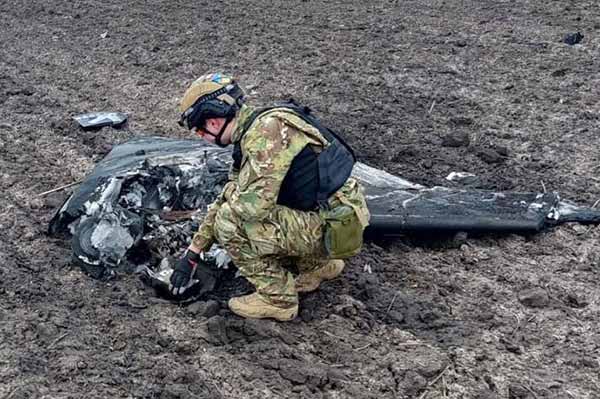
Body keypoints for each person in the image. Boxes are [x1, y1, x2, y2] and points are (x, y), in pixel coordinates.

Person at [169, 73, 370, 321]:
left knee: (230, 223)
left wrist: (226, 209)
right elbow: (231, 190)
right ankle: (317, 267)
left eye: (199, 131)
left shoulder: (265, 135)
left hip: (335, 226)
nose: (202, 137)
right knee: (240, 208)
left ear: (212, 122)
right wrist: (193, 252)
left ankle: (278, 299)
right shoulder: (260, 124)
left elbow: (252, 208)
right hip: (337, 216)